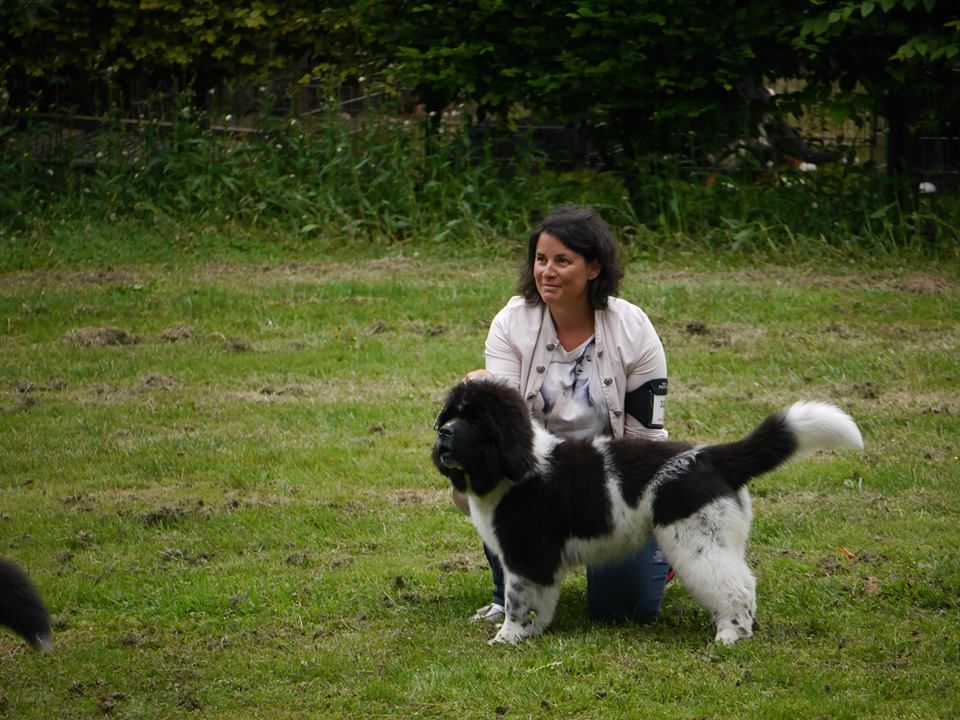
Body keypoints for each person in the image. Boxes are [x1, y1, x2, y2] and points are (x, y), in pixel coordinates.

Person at [454, 205, 671, 626]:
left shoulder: (635, 329)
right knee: (479, 468)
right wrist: (482, 388)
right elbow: (503, 435)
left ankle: (660, 555)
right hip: (537, 475)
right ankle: (510, 590)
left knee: (623, 611)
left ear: (593, 268)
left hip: (611, 483)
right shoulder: (511, 323)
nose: (546, 271)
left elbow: (645, 440)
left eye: (562, 261)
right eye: (540, 259)